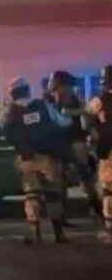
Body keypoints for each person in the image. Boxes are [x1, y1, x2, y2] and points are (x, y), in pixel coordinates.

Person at [1, 78, 71, 245]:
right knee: (53, 195)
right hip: (48, 157)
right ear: (27, 89)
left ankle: (35, 232)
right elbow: (63, 123)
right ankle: (58, 233)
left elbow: (5, 132)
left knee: (32, 194)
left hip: (26, 158)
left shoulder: (8, 112)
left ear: (12, 94)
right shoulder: (43, 106)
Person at [46, 70, 103, 225]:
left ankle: (97, 210)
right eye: (67, 86)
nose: (70, 89)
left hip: (75, 142)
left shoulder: (73, 101)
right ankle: (60, 219)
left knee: (86, 178)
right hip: (60, 146)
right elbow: (62, 115)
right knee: (60, 183)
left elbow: (84, 121)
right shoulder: (50, 103)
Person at [88, 65, 112, 244]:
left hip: (108, 149)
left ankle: (110, 230)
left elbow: (87, 119)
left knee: (108, 190)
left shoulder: (99, 101)